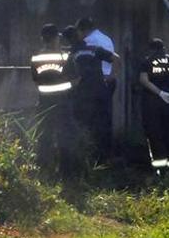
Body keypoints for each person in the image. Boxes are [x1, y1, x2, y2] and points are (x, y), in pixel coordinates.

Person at [61, 26, 121, 166]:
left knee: (83, 126)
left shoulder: (70, 54)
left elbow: (66, 76)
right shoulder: (94, 49)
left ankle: (87, 160)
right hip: (101, 93)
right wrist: (111, 77)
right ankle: (104, 159)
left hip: (82, 96)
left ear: (68, 40)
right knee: (102, 126)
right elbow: (116, 58)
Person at [30, 24, 76, 180]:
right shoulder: (65, 57)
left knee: (44, 138)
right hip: (63, 102)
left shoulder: (36, 58)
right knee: (65, 138)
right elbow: (76, 79)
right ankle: (66, 173)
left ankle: (43, 172)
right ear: (56, 38)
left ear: (42, 39)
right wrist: (67, 87)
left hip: (43, 103)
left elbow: (36, 81)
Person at [139, 39, 169, 175]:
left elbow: (143, 80)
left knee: (155, 135)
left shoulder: (147, 61)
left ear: (151, 49)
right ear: (163, 48)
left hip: (152, 103)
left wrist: (160, 92)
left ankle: (160, 169)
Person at [77, 17, 116, 155]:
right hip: (108, 81)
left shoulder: (89, 41)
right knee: (105, 118)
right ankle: (107, 153)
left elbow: (81, 62)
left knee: (91, 120)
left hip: (95, 83)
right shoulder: (106, 38)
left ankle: (94, 153)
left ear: (84, 30)